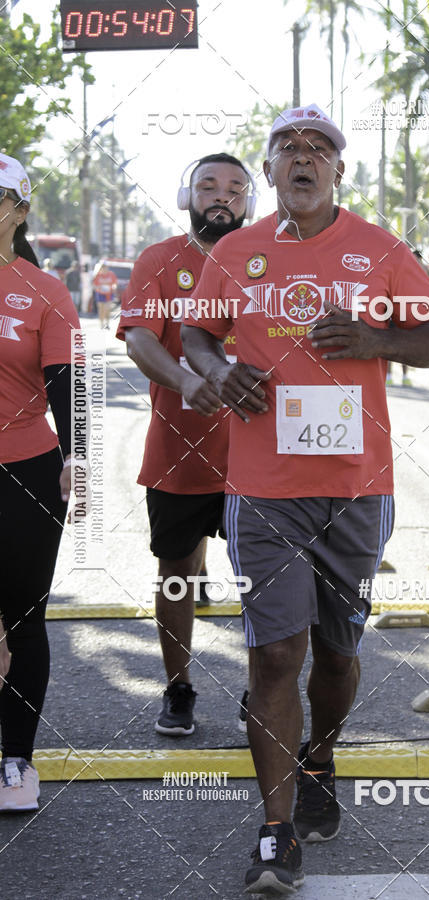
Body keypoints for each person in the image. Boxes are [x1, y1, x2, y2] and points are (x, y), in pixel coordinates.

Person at [181, 103, 429, 895]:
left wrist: (378, 341)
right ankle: (276, 836)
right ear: (268, 171)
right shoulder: (235, 252)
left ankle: (320, 756)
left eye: (320, 148)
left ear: (339, 169)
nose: (303, 159)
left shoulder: (382, 250)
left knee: (336, 656)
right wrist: (214, 369)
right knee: (276, 653)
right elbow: (199, 334)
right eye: (287, 148)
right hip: (263, 489)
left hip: (354, 492)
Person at [116, 153, 254, 737]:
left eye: (235, 188)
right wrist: (187, 381)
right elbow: (140, 340)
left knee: (264, 579)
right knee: (175, 573)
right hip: (177, 454)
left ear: (250, 200)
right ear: (187, 195)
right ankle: (179, 689)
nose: (221, 197)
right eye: (208, 186)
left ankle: (263, 689)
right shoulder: (159, 260)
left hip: (258, 458)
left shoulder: (268, 262)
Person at [0, 152, 79, 811]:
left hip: (24, 469)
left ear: (20, 210)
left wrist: (77, 457)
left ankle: (15, 763)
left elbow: (66, 388)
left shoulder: (45, 290)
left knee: (23, 617)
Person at [92, 263, 118, 329]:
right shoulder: (97, 275)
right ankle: (101, 323)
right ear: (101, 268)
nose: (104, 269)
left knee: (107, 309)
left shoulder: (111, 274)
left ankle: (107, 323)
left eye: (105, 267)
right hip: (100, 294)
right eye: (103, 268)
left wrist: (114, 287)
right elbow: (94, 285)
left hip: (109, 294)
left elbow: (115, 283)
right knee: (101, 309)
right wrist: (97, 288)